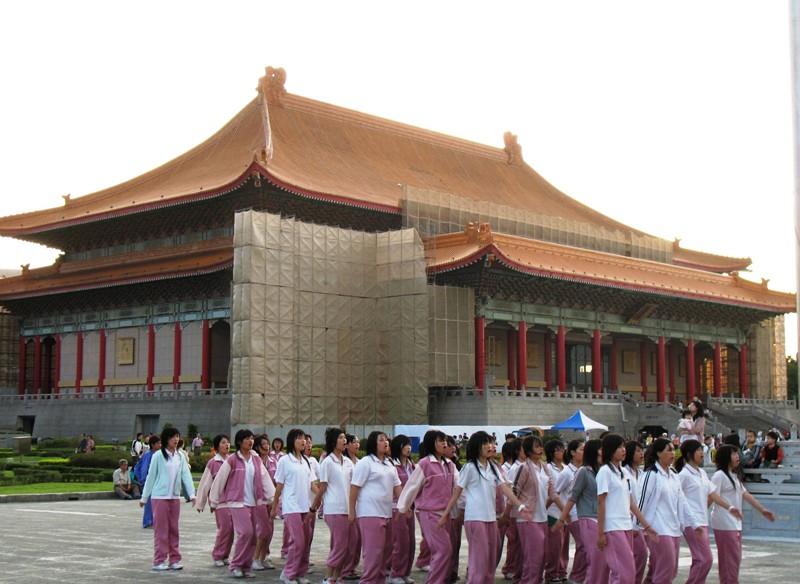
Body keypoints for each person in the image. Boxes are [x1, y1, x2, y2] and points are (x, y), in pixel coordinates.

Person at [439, 431, 529, 584]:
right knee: (479, 559)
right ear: (476, 446)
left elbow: (505, 487)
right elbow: (457, 493)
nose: (490, 446)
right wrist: (445, 515)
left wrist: (519, 505)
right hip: (475, 518)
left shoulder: (493, 467)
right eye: (485, 443)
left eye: (491, 443)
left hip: (490, 518)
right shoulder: (469, 467)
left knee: (490, 559)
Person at [209, 429, 275, 579]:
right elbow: (219, 480)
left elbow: (265, 479)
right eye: (247, 439)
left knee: (252, 537)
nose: (251, 441)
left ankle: (245, 567)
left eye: (251, 438)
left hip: (253, 501)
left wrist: (273, 499)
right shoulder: (232, 459)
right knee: (246, 532)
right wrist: (214, 500)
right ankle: (235, 565)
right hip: (236, 502)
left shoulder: (256, 459)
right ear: (240, 442)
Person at [635, 437, 701, 584]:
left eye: (673, 450)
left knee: (671, 571)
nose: (673, 453)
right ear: (658, 453)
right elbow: (641, 502)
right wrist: (637, 526)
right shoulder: (651, 475)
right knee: (666, 570)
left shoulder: (673, 474)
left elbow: (682, 501)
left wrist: (694, 524)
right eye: (669, 450)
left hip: (673, 528)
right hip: (657, 528)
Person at [676, 439, 742, 584]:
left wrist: (730, 507)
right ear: (689, 454)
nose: (702, 453)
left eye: (702, 449)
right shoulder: (683, 475)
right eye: (698, 450)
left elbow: (713, 495)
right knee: (704, 560)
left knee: (702, 560)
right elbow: (676, 497)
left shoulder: (702, 473)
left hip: (703, 521)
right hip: (691, 523)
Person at [397, 429, 457, 584]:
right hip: (429, 513)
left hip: (446, 514)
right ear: (432, 444)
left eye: (445, 441)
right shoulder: (424, 464)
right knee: (443, 550)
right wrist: (403, 508)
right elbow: (411, 487)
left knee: (446, 551)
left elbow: (459, 487)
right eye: (440, 441)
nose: (444, 443)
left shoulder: (449, 464)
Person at [595, 434, 656, 584]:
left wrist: (646, 525)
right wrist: (601, 533)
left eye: (623, 446)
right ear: (610, 450)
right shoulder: (604, 472)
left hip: (626, 526)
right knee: (622, 571)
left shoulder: (623, 473)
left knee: (628, 571)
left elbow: (631, 502)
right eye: (619, 447)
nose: (623, 450)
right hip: (613, 527)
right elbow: (601, 503)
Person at [711, 444, 776, 584]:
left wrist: (762, 509)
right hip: (724, 523)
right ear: (726, 457)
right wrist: (729, 508)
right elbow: (713, 496)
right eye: (734, 454)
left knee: (734, 560)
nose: (737, 457)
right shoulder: (719, 476)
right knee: (729, 561)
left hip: (734, 523)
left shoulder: (733, 475)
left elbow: (745, 494)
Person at [503, 435, 562, 584]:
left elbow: (553, 492)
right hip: (527, 518)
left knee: (541, 557)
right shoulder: (524, 468)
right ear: (528, 450)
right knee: (533, 558)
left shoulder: (544, 467)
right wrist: (507, 514)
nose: (541, 449)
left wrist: (565, 512)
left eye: (541, 446)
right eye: (537, 446)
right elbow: (514, 492)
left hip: (542, 517)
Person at [349, 431, 403, 584]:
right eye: (381, 440)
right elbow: (354, 488)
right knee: (373, 553)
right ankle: (367, 581)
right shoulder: (365, 463)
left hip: (386, 513)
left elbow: (397, 487)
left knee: (384, 554)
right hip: (369, 513)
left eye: (386, 439)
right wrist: (352, 511)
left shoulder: (389, 464)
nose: (385, 442)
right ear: (374, 443)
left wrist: (406, 505)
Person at [140, 427, 196, 571]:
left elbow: (186, 475)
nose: (176, 439)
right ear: (166, 439)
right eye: (172, 437)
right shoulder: (158, 456)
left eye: (177, 436)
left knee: (173, 529)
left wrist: (192, 494)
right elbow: (151, 476)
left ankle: (175, 559)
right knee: (161, 530)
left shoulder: (180, 456)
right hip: (160, 497)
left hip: (174, 497)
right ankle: (159, 560)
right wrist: (145, 497)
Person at [553, 439, 606, 584]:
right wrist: (562, 518)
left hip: (600, 518)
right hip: (584, 517)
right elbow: (570, 497)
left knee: (599, 557)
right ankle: (576, 578)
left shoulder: (602, 471)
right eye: (601, 449)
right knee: (590, 553)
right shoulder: (582, 471)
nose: (604, 451)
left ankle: (579, 578)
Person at [307, 427, 354, 584]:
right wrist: (313, 507)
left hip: (347, 508)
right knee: (341, 545)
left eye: (344, 438)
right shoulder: (327, 462)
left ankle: (337, 576)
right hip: (334, 509)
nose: (344, 440)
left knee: (344, 545)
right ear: (333, 441)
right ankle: (328, 577)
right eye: (341, 438)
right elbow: (322, 488)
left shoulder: (347, 462)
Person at [271, 428, 317, 584]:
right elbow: (279, 485)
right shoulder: (285, 460)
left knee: (306, 540)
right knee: (298, 541)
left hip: (306, 506)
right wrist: (274, 506)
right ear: (292, 441)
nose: (303, 441)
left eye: (304, 438)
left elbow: (311, 484)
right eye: (299, 438)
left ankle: (299, 573)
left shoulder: (305, 461)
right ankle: (288, 573)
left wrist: (321, 496)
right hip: (291, 507)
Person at [195, 434, 234, 568]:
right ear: (217, 446)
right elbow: (205, 483)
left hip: (233, 501)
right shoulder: (213, 462)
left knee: (232, 530)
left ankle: (225, 555)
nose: (227, 445)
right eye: (223, 443)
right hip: (220, 502)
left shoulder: (232, 460)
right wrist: (201, 503)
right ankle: (217, 554)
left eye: (228, 443)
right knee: (224, 528)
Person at [554, 439, 587, 584]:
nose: (584, 452)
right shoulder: (567, 473)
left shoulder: (586, 469)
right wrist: (562, 515)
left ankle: (579, 576)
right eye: (581, 449)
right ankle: (575, 577)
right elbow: (554, 493)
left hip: (586, 514)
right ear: (572, 452)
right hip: (573, 515)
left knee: (587, 547)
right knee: (584, 546)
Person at [389, 434, 416, 584]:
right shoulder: (392, 465)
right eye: (405, 445)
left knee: (410, 542)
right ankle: (395, 574)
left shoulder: (412, 466)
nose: (408, 448)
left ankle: (405, 572)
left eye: (410, 445)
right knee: (400, 542)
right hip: (396, 508)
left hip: (410, 508)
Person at [621, 440, 647, 584]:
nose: (641, 453)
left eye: (642, 450)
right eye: (637, 451)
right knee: (640, 554)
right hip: (630, 521)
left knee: (641, 555)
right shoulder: (624, 472)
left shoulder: (642, 473)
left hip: (641, 521)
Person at [498, 439, 523, 581]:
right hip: (512, 511)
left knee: (518, 543)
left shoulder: (520, 466)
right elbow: (511, 491)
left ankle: (515, 568)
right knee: (513, 542)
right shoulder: (512, 468)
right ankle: (509, 567)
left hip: (517, 510)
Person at [543, 439, 567, 583]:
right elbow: (552, 492)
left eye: (562, 448)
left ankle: (561, 571)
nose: (562, 451)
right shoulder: (549, 468)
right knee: (554, 546)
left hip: (564, 512)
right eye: (559, 449)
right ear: (552, 452)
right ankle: (551, 574)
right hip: (552, 511)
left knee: (562, 546)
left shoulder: (565, 467)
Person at [253, 434, 277, 571]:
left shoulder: (273, 461)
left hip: (271, 500)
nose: (267, 446)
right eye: (263, 444)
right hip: (258, 500)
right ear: (257, 446)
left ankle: (264, 556)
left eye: (268, 443)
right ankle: (255, 558)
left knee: (270, 530)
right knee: (263, 529)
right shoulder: (254, 462)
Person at [341, 434, 362, 580]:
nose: (357, 444)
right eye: (353, 442)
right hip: (345, 504)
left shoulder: (360, 462)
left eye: (358, 442)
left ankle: (352, 567)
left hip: (360, 504)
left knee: (357, 539)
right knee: (348, 539)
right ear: (346, 445)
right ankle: (344, 569)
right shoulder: (342, 462)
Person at [134, 435, 161, 528]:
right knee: (149, 502)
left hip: (155, 481)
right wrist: (143, 480)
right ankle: (147, 522)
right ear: (153, 445)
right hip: (148, 481)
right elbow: (144, 468)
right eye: (158, 443)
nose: (160, 445)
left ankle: (153, 521)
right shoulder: (148, 454)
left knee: (155, 502)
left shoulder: (157, 454)